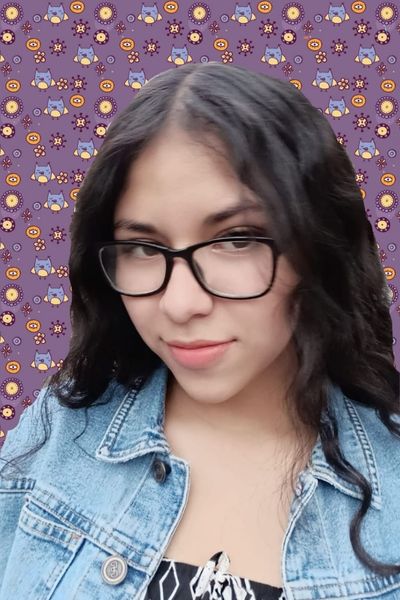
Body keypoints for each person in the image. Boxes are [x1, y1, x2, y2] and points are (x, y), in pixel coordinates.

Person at [0, 62, 399, 600]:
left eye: (236, 239)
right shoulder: (62, 426)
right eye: (143, 247)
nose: (181, 304)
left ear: (317, 246)